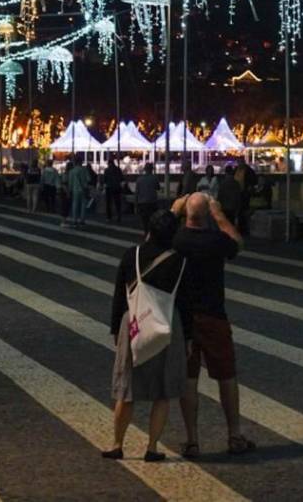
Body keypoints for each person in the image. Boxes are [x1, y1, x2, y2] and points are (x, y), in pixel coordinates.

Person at [172, 192, 255, 458]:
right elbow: (238, 244)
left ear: (186, 213)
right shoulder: (215, 240)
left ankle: (192, 440)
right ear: (208, 214)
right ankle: (234, 435)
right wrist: (220, 215)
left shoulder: (176, 239)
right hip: (213, 315)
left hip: (183, 318)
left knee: (188, 379)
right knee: (226, 376)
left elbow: (152, 239)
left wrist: (174, 212)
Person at [104, 209, 186, 463]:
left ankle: (117, 444)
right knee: (162, 390)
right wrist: (190, 338)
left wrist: (116, 329)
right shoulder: (180, 260)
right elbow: (186, 301)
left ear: (148, 230)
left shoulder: (132, 255)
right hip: (167, 322)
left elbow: (120, 294)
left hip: (135, 321)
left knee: (127, 389)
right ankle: (151, 447)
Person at [65, 155, 91, 227]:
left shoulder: (72, 171)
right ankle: (82, 220)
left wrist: (69, 191)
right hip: (84, 189)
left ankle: (74, 220)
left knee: (75, 204)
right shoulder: (84, 170)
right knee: (83, 205)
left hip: (75, 189)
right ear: (81, 162)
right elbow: (89, 179)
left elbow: (70, 182)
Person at [135, 163, 160, 231]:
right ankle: (152, 233)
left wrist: (136, 204)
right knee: (153, 219)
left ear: (145, 169)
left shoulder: (139, 179)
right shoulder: (154, 178)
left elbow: (137, 193)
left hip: (142, 203)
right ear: (152, 169)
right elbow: (158, 188)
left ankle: (146, 234)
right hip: (152, 202)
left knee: (144, 220)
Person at [103, 157, 125, 224]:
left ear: (109, 163)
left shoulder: (107, 170)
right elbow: (122, 179)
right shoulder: (118, 169)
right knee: (117, 203)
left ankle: (109, 217)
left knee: (108, 203)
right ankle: (118, 216)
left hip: (109, 187)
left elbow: (105, 180)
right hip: (117, 187)